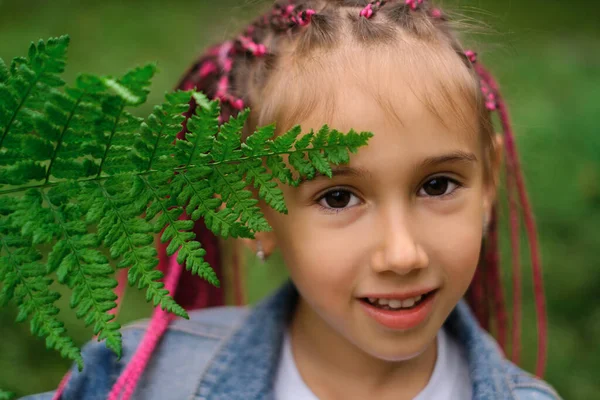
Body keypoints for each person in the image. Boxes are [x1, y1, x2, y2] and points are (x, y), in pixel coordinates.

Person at [22, 0, 562, 399]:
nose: (402, 254)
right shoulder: (138, 379)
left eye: (438, 185)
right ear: (255, 210)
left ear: (489, 182)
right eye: (338, 197)